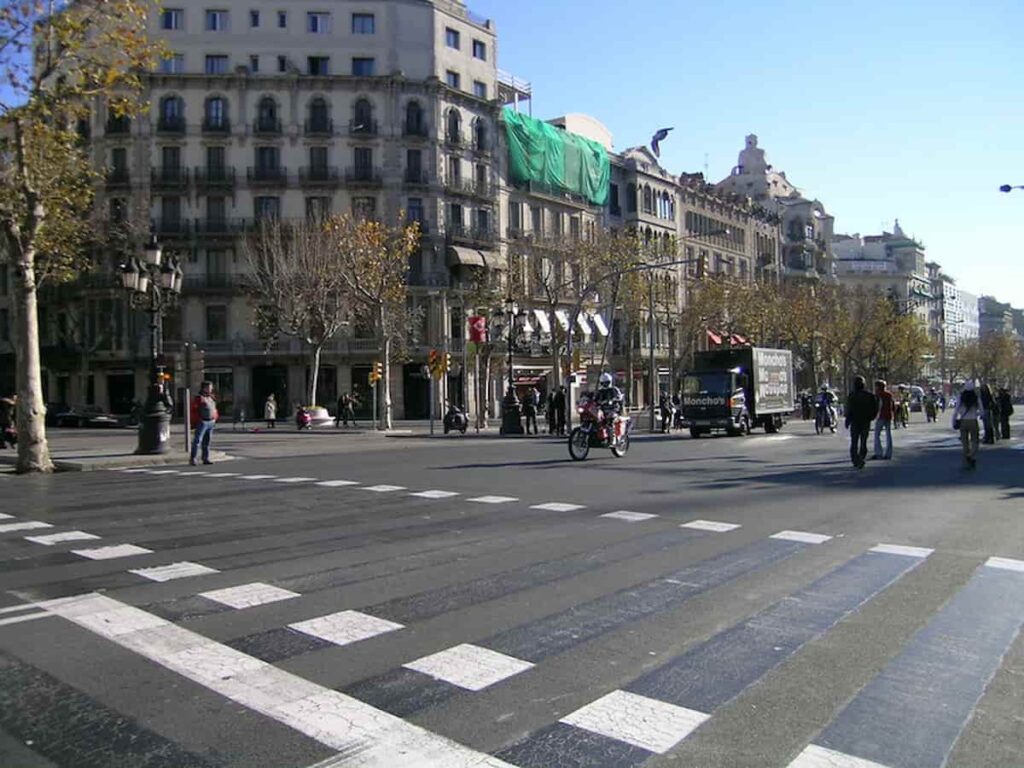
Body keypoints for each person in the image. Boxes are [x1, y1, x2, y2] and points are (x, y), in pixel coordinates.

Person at [845, 376, 878, 469]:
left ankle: (856, 460)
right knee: (863, 442)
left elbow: (849, 409)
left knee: (854, 442)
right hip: (865, 421)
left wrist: (848, 420)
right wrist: (871, 417)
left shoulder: (852, 395)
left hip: (855, 421)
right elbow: (875, 408)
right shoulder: (869, 395)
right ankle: (860, 458)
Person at [954, 380, 982, 469]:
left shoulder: (961, 397)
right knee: (975, 441)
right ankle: (971, 455)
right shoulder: (976, 397)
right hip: (973, 420)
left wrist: (954, 420)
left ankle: (966, 456)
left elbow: (956, 410)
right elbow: (982, 411)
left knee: (964, 442)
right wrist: (977, 414)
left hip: (963, 421)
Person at [189, 381, 218, 466]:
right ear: (204, 388)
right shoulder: (199, 398)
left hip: (211, 421)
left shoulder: (211, 397)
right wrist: (197, 420)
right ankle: (193, 458)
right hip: (203, 421)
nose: (211, 389)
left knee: (207, 441)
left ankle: (205, 458)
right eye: (209, 387)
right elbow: (194, 410)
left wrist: (215, 418)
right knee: (197, 441)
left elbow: (214, 408)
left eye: (211, 387)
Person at [872, 379, 894, 460]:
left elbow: (877, 406)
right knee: (889, 435)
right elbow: (893, 405)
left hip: (881, 416)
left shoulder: (878, 395)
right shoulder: (889, 395)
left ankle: (879, 453)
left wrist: (874, 415)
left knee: (877, 434)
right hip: (888, 416)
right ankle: (889, 453)